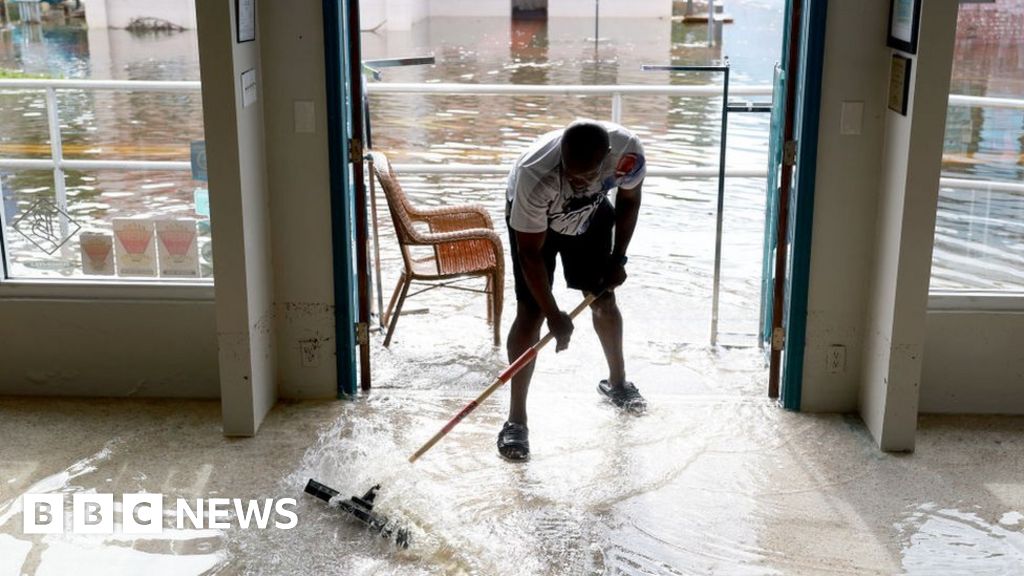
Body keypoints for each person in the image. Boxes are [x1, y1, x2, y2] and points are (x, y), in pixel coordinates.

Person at [499, 119, 647, 462]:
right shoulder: (534, 175)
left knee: (603, 298)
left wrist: (618, 258)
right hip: (536, 227)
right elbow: (529, 255)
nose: (576, 181)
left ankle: (618, 384)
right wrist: (553, 314)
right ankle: (516, 420)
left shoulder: (628, 154)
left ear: (607, 158)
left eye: (585, 176)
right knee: (530, 312)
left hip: (591, 214)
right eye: (571, 173)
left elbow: (629, 201)